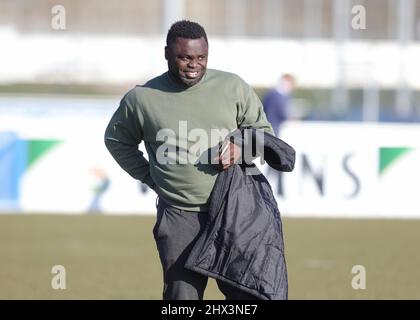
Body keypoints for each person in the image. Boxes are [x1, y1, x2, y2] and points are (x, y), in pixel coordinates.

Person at [104, 20, 273, 300]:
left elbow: (264, 134)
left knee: (250, 295)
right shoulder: (142, 99)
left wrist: (240, 150)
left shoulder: (233, 87)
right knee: (182, 298)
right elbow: (117, 141)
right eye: (184, 57)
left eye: (201, 57)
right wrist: (150, 177)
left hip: (234, 213)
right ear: (167, 53)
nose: (194, 65)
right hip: (179, 216)